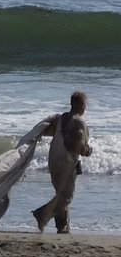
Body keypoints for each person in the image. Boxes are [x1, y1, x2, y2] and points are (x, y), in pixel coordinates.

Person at [32, 91, 92, 234]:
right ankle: (42, 214)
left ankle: (63, 227)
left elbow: (48, 131)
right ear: (81, 105)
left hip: (54, 160)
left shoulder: (61, 118)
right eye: (85, 105)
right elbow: (80, 147)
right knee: (67, 196)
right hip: (67, 162)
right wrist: (89, 151)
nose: (85, 108)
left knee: (60, 193)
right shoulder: (79, 122)